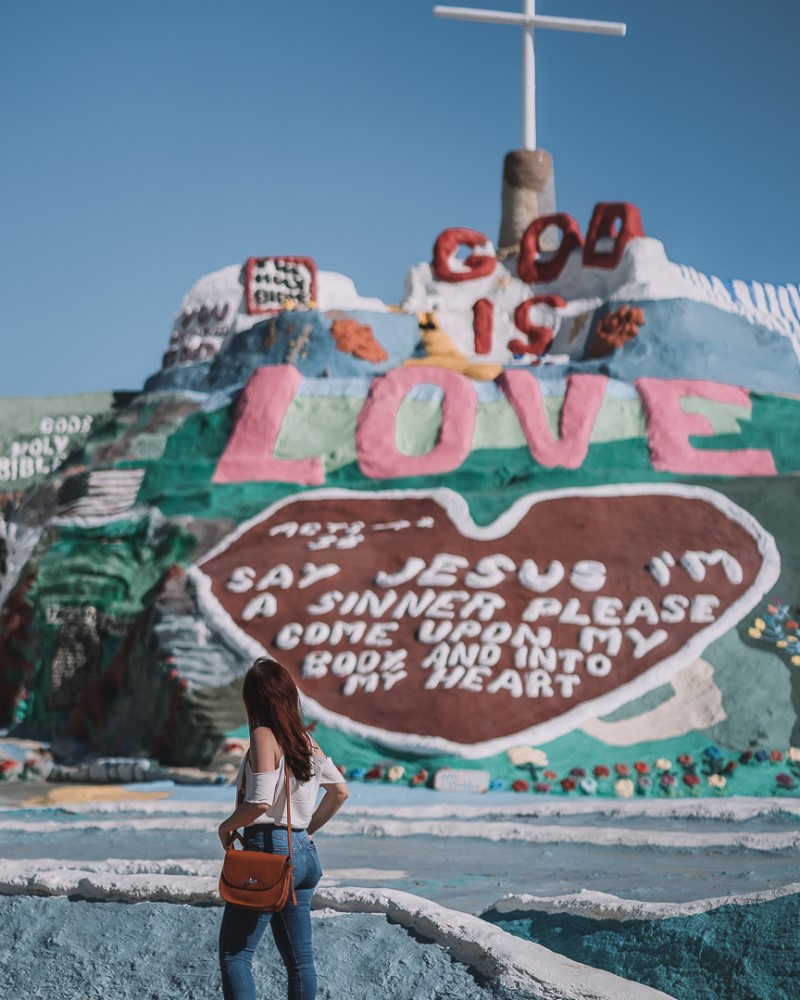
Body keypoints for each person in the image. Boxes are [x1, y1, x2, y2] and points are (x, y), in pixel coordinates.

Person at [218, 657, 349, 1000]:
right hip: (303, 855)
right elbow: (339, 792)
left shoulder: (264, 735)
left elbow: (260, 802)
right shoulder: (305, 741)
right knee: (299, 961)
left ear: (254, 698)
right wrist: (306, 833)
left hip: (268, 850)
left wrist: (226, 827)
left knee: (236, 955)